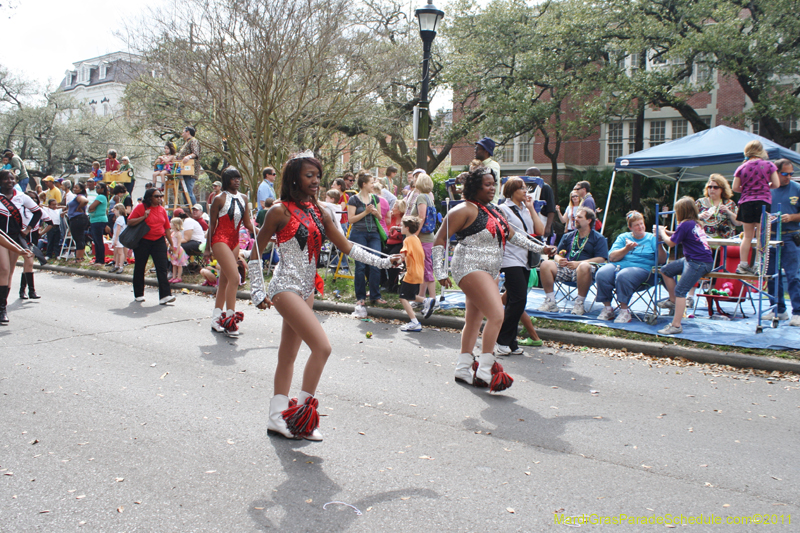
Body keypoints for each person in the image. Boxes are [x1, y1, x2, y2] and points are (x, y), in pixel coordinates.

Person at [253, 151, 397, 440]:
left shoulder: (321, 211)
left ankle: (277, 417)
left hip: (307, 289)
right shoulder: (279, 211)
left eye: (317, 175)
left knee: (288, 355)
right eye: (309, 175)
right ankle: (303, 418)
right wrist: (258, 290)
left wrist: (386, 261)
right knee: (323, 347)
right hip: (285, 288)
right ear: (294, 178)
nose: (315, 181)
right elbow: (257, 251)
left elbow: (348, 247)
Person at [432, 166, 551, 391]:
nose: (492, 188)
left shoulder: (494, 211)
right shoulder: (463, 210)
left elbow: (515, 237)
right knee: (497, 314)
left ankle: (463, 368)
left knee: (474, 320)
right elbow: (439, 240)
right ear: (474, 187)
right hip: (468, 267)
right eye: (487, 184)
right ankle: (486, 369)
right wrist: (440, 272)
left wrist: (543, 249)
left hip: (490, 271)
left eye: (493, 184)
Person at [496, 177, 545, 355]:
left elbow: (539, 231)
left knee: (515, 301)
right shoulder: (503, 209)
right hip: (510, 259)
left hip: (526, 260)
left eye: (526, 188)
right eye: (521, 188)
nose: (525, 191)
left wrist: (532, 208)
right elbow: (512, 234)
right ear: (510, 191)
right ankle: (502, 339)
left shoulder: (526, 209)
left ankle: (511, 341)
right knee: (518, 299)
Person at [205, 167, 255, 337]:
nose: (237, 180)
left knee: (225, 282)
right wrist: (207, 249)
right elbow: (211, 224)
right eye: (233, 178)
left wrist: (267, 233)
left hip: (234, 241)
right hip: (219, 240)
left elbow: (248, 224)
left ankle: (216, 319)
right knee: (235, 278)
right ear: (227, 180)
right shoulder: (219, 199)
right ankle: (230, 321)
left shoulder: (244, 198)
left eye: (238, 177)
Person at [656, 196, 714, 335]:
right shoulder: (694, 223)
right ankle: (673, 301)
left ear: (681, 211)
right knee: (665, 270)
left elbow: (671, 243)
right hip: (696, 259)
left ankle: (676, 325)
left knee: (681, 291)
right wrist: (667, 233)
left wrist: (662, 232)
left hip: (698, 262)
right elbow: (678, 236)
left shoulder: (685, 224)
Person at [595, 210, 665, 323]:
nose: (640, 227)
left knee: (624, 275)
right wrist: (626, 249)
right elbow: (611, 257)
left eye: (641, 223)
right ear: (630, 227)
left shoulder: (651, 238)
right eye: (637, 225)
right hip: (619, 265)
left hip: (643, 270)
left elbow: (662, 260)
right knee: (602, 273)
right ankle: (608, 308)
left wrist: (659, 243)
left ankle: (624, 311)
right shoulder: (623, 237)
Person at [538, 207, 608, 315]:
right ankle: (550, 301)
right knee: (545, 264)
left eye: (579, 217)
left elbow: (601, 259)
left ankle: (579, 303)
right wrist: (560, 260)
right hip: (567, 268)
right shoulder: (568, 236)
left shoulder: (598, 238)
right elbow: (556, 254)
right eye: (575, 217)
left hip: (586, 272)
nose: (576, 219)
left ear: (589, 220)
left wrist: (578, 264)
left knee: (584, 266)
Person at [732, 140, 780, 274]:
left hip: (746, 202)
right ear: (761, 151)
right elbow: (776, 184)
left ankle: (742, 265)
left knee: (747, 236)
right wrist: (764, 187)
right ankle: (760, 265)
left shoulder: (742, 167)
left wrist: (748, 189)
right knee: (761, 235)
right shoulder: (769, 165)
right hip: (763, 202)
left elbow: (735, 187)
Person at [0, 170, 40, 322]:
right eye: (5, 178)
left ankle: (2, 306)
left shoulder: (21, 197)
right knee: (3, 269)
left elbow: (37, 212)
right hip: (1, 237)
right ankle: (2, 309)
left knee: (9, 272)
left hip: (15, 237)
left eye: (11, 178)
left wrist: (28, 229)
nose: (9, 181)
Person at [765, 159, 800, 325]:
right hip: (771, 237)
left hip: (791, 235)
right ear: (776, 173)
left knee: (793, 276)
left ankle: (798, 312)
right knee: (771, 275)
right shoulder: (767, 189)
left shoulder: (797, 188)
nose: (788, 177)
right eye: (785, 174)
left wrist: (792, 217)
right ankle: (778, 309)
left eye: (791, 174)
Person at [347, 171, 387, 318]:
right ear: (364, 184)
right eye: (371, 182)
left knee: (376, 262)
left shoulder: (375, 198)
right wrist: (365, 212)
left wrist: (375, 212)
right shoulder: (353, 200)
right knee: (360, 265)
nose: (373, 185)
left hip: (374, 234)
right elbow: (351, 219)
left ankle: (375, 295)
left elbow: (380, 216)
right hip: (359, 234)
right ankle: (360, 297)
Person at [127, 188, 176, 305]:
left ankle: (165, 295)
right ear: (149, 198)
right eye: (156, 196)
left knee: (162, 268)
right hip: (143, 240)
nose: (159, 198)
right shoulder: (141, 207)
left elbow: (167, 228)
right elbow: (129, 222)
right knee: (140, 267)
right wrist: (143, 217)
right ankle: (138, 294)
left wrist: (171, 244)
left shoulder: (162, 210)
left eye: (160, 196)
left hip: (159, 240)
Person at [397, 216, 436, 332]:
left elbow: (402, 258)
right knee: (410, 295)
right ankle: (426, 301)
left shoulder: (407, 240)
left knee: (403, 297)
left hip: (411, 273)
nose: (400, 228)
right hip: (419, 272)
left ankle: (414, 322)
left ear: (407, 228)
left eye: (402, 226)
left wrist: (394, 261)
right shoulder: (416, 238)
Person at [17, 190, 46, 300]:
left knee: (28, 264)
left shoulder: (39, 211)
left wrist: (41, 233)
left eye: (34, 198)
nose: (32, 200)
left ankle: (25, 291)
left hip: (33, 239)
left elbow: (51, 222)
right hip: (21, 238)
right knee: (28, 262)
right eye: (29, 198)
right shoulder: (19, 210)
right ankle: (29, 291)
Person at [526, 167, 556, 243]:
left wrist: (548, 227)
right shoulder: (527, 188)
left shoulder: (545, 188)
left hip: (543, 221)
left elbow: (551, 209)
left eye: (527, 175)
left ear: (534, 176)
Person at [383, 199, 406, 293]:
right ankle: (384, 282)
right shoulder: (391, 218)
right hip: (389, 242)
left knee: (392, 257)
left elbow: (402, 234)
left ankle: (393, 283)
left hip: (399, 243)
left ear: (400, 210)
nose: (392, 208)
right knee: (381, 255)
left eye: (394, 207)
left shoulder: (404, 219)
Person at [65, 182, 90, 264]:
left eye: (76, 187)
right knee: (81, 238)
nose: (74, 189)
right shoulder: (77, 197)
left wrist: (78, 208)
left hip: (77, 219)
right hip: (80, 218)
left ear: (81, 189)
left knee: (78, 238)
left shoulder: (80, 196)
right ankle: (81, 257)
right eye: (74, 187)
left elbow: (85, 201)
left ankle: (78, 258)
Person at [177, 126, 201, 205]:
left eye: (183, 132)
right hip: (184, 170)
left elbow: (195, 153)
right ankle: (188, 209)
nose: (182, 134)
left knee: (188, 191)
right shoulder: (186, 142)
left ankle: (194, 209)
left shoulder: (193, 141)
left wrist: (188, 156)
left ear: (188, 132)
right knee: (185, 191)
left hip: (190, 171)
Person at [87, 181, 109, 267]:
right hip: (94, 220)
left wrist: (91, 209)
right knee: (96, 241)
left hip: (98, 220)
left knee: (99, 241)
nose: (96, 189)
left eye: (98, 187)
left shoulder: (101, 196)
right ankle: (97, 259)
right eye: (96, 187)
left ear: (103, 189)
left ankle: (101, 260)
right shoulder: (99, 196)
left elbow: (91, 207)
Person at [474, 137, 501, 203]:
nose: (475, 151)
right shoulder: (476, 165)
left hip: (490, 205)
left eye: (478, 149)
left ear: (486, 151)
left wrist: (465, 175)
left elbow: (485, 175)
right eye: (475, 148)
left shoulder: (493, 165)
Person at [169, 217, 189, 283]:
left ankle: (179, 277)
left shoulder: (178, 234)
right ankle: (174, 276)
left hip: (177, 250)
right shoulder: (172, 233)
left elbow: (178, 244)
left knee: (179, 265)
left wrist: (177, 253)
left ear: (175, 225)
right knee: (174, 264)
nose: (170, 224)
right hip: (173, 249)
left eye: (171, 223)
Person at [109, 203, 127, 274]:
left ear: (118, 210)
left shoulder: (120, 219)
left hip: (119, 238)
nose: (114, 212)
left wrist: (116, 239)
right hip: (117, 238)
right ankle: (116, 265)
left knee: (120, 252)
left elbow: (118, 229)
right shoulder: (120, 218)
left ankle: (120, 266)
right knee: (116, 252)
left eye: (115, 210)